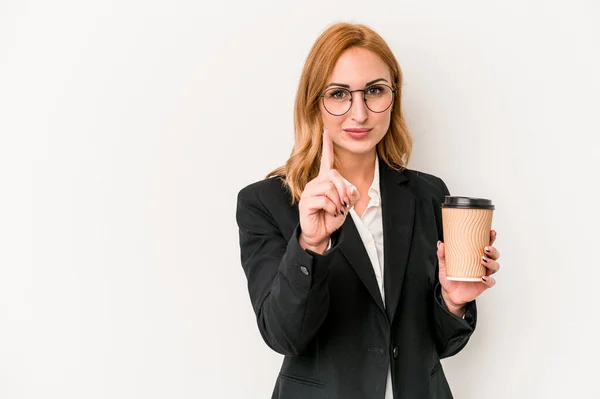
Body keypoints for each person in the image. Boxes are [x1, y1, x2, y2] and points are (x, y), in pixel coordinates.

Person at [235, 22, 500, 399]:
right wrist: (310, 244)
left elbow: (441, 345)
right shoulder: (266, 203)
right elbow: (284, 336)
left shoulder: (428, 194)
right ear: (315, 103)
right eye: (340, 94)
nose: (359, 114)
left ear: (393, 95)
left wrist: (454, 302)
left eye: (374, 91)